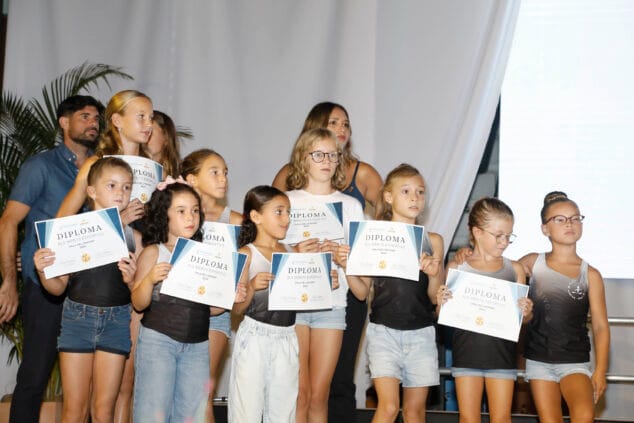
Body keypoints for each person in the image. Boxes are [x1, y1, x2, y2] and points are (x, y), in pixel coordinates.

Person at [272, 102, 383, 420]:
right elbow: (267, 250)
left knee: (320, 396)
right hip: (294, 304)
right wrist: (294, 252)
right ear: (302, 157)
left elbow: (361, 290)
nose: (326, 161)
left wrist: (347, 262)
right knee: (299, 394)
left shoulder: (351, 206)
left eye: (332, 155)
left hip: (333, 305)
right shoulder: (286, 201)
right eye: (318, 155)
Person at [0, 95, 103, 423]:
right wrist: (9, 282)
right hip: (45, 286)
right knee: (35, 374)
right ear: (64, 122)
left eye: (96, 118)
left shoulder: (104, 170)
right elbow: (8, 222)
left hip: (92, 289)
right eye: (85, 116)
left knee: (92, 382)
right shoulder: (40, 166)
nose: (93, 123)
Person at [33, 157, 140, 423]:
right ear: (91, 191)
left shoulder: (134, 238)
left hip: (116, 322)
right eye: (112, 185)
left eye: (127, 187)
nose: (121, 192)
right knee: (74, 411)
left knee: (103, 411)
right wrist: (43, 271)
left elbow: (140, 297)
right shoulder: (71, 232)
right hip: (77, 320)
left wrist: (132, 281)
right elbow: (57, 288)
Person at [131, 181, 244, 422]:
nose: (190, 217)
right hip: (159, 342)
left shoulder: (206, 256)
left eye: (194, 210)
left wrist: (229, 297)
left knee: (192, 414)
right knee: (153, 411)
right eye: (181, 211)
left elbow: (210, 309)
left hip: (198, 345)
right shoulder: (154, 252)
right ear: (164, 215)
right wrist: (150, 280)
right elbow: (138, 303)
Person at [437, 197, 533, 423]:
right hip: (466, 356)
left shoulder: (515, 269)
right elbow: (442, 315)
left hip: (502, 358)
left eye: (509, 236)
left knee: (501, 419)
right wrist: (441, 302)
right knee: (468, 418)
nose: (505, 242)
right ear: (477, 232)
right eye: (499, 235)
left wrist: (527, 312)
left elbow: (522, 321)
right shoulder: (457, 267)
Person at [114, 109, 182, 423]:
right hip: (124, 269)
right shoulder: (118, 172)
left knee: (143, 378)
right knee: (120, 381)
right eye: (143, 123)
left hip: (159, 280)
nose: (148, 131)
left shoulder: (177, 182)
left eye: (154, 126)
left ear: (166, 138)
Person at [520, 192, 609, 422]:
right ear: (545, 229)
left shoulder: (591, 275)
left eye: (575, 218)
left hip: (575, 361)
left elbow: (600, 326)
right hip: (539, 361)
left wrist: (600, 370)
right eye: (560, 219)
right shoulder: (531, 263)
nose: (569, 224)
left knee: (584, 415)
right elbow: (495, 271)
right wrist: (465, 254)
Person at [367, 164, 444, 423]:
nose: (415, 198)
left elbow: (434, 297)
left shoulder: (433, 240)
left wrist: (434, 273)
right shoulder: (373, 236)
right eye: (406, 191)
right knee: (388, 408)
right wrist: (349, 266)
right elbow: (360, 291)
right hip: (383, 331)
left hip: (421, 333)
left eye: (420, 192)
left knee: (414, 412)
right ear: (388, 197)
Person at [180, 148, 242, 422]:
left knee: (202, 391)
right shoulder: (174, 215)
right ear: (191, 179)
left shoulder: (236, 221)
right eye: (214, 172)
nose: (223, 178)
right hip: (175, 313)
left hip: (215, 314)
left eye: (225, 172)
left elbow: (252, 262)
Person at [227, 185, 299, 422]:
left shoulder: (292, 254)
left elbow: (300, 297)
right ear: (256, 216)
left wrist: (323, 283)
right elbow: (236, 309)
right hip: (255, 336)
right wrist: (251, 286)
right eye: (279, 212)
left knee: (283, 411)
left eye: (288, 212)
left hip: (287, 337)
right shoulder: (246, 254)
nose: (286, 219)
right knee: (247, 408)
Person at [57, 89, 153, 225]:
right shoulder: (95, 164)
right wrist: (120, 221)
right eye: (141, 116)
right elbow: (61, 222)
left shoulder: (152, 167)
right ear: (117, 120)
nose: (149, 124)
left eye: (151, 117)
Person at [144, 110, 181, 178]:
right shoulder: (128, 167)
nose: (144, 138)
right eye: (142, 133)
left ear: (166, 137)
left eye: (149, 132)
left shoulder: (182, 176)